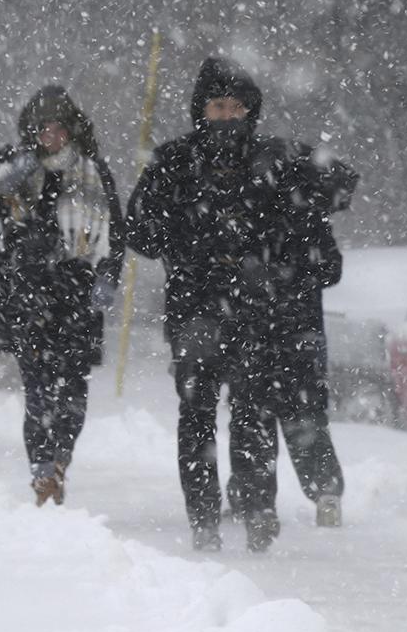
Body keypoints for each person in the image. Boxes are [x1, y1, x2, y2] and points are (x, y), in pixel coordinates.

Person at [126, 56, 354, 553]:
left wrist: (306, 190)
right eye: (217, 105)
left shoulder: (275, 160)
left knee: (253, 412)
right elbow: (140, 231)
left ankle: (257, 509)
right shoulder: (176, 162)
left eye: (236, 106)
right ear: (200, 110)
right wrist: (183, 235)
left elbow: (338, 188)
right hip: (196, 308)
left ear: (250, 111)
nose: (226, 116)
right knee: (198, 415)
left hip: (256, 312)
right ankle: (204, 517)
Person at [0, 85, 125, 506]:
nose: (47, 135)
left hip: (75, 293)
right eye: (39, 127)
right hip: (26, 292)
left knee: (72, 387)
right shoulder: (11, 166)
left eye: (55, 127)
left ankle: (60, 460)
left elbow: (116, 233)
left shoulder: (93, 171)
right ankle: (41, 468)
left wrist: (108, 276)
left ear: (71, 129)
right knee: (36, 388)